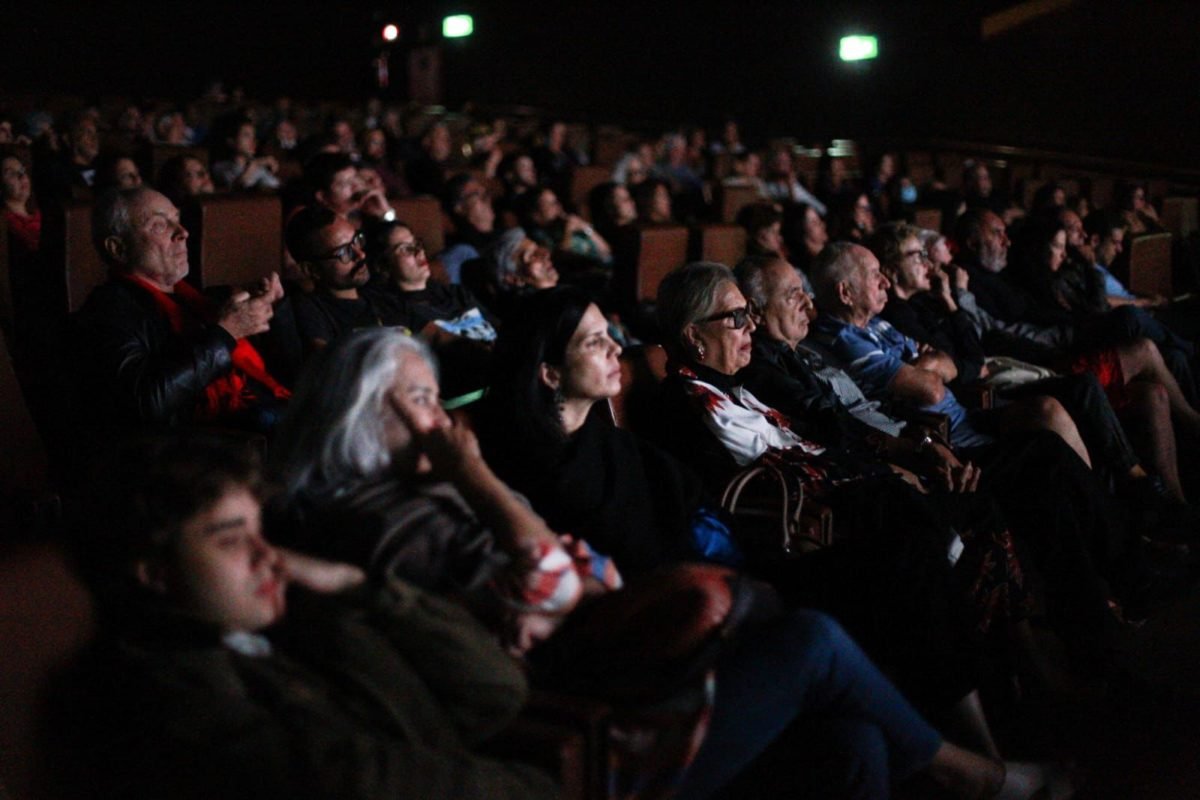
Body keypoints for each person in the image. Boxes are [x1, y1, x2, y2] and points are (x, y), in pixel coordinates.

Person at [269, 327, 1038, 800]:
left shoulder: (428, 493)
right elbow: (566, 579)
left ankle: (971, 761)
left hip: (603, 678)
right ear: (366, 416)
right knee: (810, 641)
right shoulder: (377, 517)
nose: (441, 421)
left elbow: (591, 574)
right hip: (567, 737)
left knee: (851, 744)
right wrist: (475, 479)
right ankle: (972, 776)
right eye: (418, 401)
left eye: (437, 399)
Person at [56, 435, 560, 799]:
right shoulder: (168, 684)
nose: (269, 556)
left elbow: (494, 692)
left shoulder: (304, 628)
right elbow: (346, 778)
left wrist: (355, 585)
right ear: (155, 572)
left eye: (261, 534)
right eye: (232, 541)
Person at [72, 187, 289, 441]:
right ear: (118, 248)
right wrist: (226, 332)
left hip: (253, 413)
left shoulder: (191, 297)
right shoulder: (107, 311)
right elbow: (147, 401)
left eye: (177, 219)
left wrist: (266, 307)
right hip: (196, 445)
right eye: (159, 226)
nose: (183, 233)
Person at [284, 205, 406, 355]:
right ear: (312, 270)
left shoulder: (382, 294)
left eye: (356, 240)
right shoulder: (309, 309)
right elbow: (328, 363)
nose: (360, 255)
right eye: (343, 252)